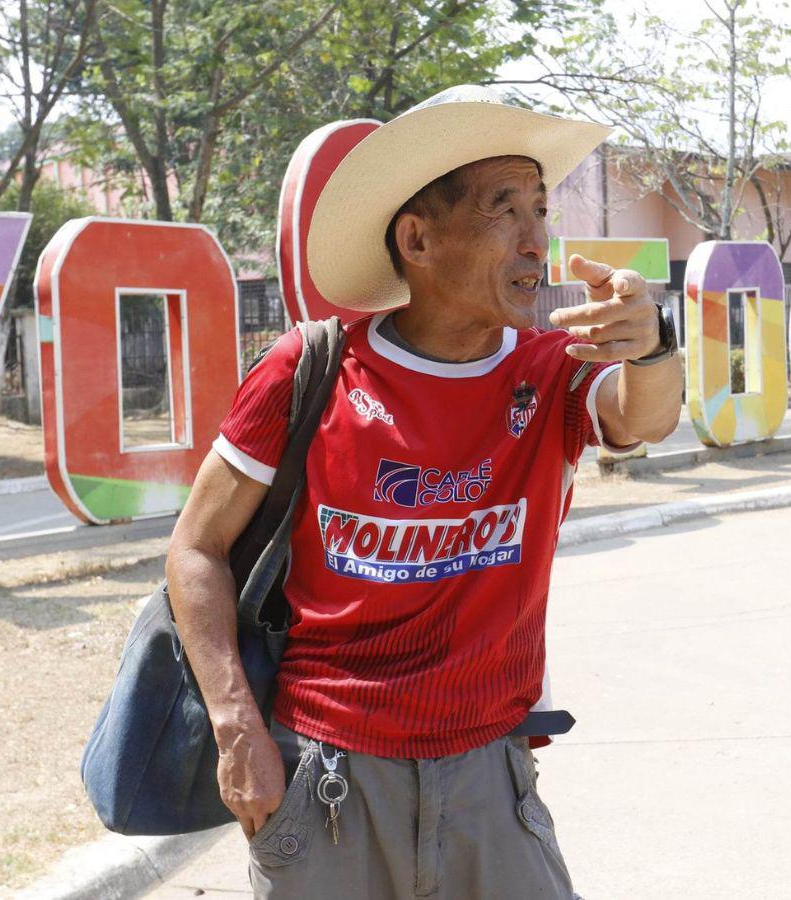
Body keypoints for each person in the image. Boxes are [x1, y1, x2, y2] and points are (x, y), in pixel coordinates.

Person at [165, 85, 683, 899]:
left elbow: (639, 416)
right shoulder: (309, 371)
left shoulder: (548, 371)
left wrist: (652, 351)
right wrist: (236, 726)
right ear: (418, 238)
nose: (535, 239)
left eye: (541, 209)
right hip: (327, 777)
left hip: (491, 779)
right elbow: (196, 546)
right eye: (503, 208)